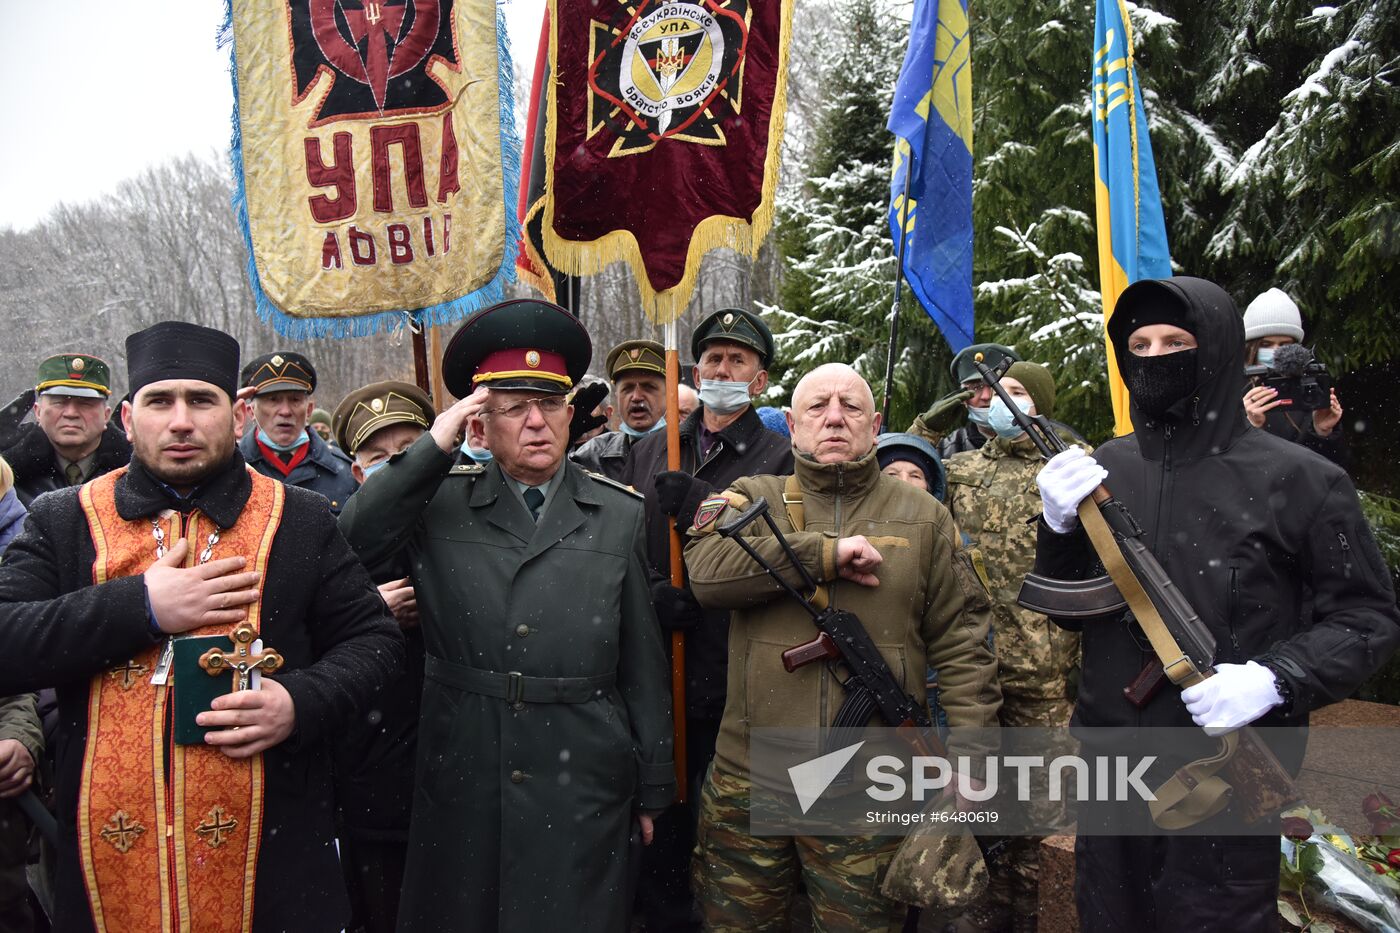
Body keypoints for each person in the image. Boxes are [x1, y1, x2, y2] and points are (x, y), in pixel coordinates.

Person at [0, 320, 404, 932]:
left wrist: (299, 701)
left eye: (201, 400)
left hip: (273, 853)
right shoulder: (64, 520)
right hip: (107, 853)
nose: (181, 421)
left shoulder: (301, 519)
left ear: (238, 415)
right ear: (128, 421)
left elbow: (374, 643)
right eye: (160, 401)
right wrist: (140, 607)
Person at [1033, 276, 1400, 931]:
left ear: (1221, 350)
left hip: (1228, 777)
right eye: (1138, 344)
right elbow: (1068, 607)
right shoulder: (1106, 467)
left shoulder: (1302, 479)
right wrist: (1057, 526)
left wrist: (1274, 677)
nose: (1155, 356)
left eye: (1176, 340)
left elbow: (1367, 620)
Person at [338, 299, 676, 933]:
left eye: (549, 404)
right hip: (467, 758)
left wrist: (655, 783)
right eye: (513, 407)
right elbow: (355, 540)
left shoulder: (620, 513)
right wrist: (433, 447)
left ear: (571, 416)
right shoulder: (439, 503)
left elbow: (641, 661)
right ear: (479, 424)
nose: (535, 422)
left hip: (582, 765)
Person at [684, 363, 1002, 932]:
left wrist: (975, 756)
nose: (835, 417)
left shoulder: (926, 519)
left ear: (875, 424)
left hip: (868, 789)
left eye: (851, 407)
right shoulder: (751, 498)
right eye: (818, 407)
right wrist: (823, 554)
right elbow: (706, 573)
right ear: (791, 424)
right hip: (748, 779)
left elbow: (963, 647)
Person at [617, 307, 793, 932]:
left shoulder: (780, 459)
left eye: (737, 361)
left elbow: (785, 556)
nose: (722, 370)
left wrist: (703, 512)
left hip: (734, 673)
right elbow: (622, 550)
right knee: (661, 828)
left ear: (760, 380)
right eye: (713, 360)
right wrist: (651, 595)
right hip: (658, 672)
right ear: (695, 369)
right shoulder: (651, 450)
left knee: (731, 838)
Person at [942, 361, 1082, 933]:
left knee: (1044, 809)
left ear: (1041, 403)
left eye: (1015, 392)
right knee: (978, 800)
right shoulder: (960, 468)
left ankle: (1036, 911)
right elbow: (901, 477)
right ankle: (984, 907)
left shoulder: (1068, 469)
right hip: (971, 667)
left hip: (1044, 672)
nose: (997, 400)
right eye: (988, 393)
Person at [330, 381, 437, 933]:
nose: (396, 467)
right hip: (377, 773)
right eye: (379, 458)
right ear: (355, 472)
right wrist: (369, 614)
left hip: (457, 764)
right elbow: (302, 641)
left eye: (408, 452)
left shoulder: (462, 523)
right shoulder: (332, 536)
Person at [0, 354, 131, 507]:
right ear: (38, 412)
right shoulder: (9, 479)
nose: (71, 413)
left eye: (85, 403)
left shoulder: (133, 475)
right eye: (59, 402)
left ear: (106, 415)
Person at [238, 351, 357, 513]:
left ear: (309, 409)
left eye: (295, 400)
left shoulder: (345, 471)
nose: (285, 411)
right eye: (273, 400)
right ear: (251, 412)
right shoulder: (232, 470)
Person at [1240, 288, 1347, 467]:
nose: (1275, 352)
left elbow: (1333, 471)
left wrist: (1322, 431)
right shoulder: (1230, 389)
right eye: (1266, 344)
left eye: (1284, 344)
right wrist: (1249, 428)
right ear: (1251, 347)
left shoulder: (1311, 388)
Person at [572, 339, 668, 481]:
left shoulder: (688, 451)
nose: (636, 397)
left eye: (648, 387)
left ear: (669, 394)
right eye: (627, 388)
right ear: (617, 395)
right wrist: (563, 441)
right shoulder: (593, 454)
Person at [874, 432, 946, 501]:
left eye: (915, 476)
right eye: (892, 474)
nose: (905, 482)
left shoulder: (942, 513)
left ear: (928, 487)